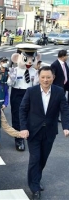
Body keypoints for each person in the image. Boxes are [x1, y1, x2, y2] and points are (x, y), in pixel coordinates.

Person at [19, 66, 69, 200]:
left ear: (53, 77)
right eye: (43, 77)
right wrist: (23, 128)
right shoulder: (31, 91)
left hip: (49, 132)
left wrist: (66, 126)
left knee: (43, 159)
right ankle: (34, 187)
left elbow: (64, 110)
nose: (45, 80)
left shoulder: (59, 91)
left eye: (48, 77)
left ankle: (36, 178)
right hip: (33, 131)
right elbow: (23, 110)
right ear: (38, 78)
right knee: (35, 159)